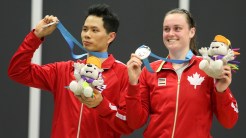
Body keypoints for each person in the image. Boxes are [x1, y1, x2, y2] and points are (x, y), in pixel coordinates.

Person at [8, 3, 133, 138]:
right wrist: (36, 36)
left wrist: (101, 104)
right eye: (85, 29)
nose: (87, 35)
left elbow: (127, 124)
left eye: (94, 30)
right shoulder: (64, 70)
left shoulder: (123, 73)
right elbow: (17, 72)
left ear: (111, 37)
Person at [126, 8, 238, 138]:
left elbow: (229, 122)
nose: (170, 33)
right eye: (166, 29)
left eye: (177, 28)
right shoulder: (150, 71)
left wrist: (221, 91)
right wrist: (133, 84)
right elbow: (135, 122)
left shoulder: (208, 69)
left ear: (191, 32)